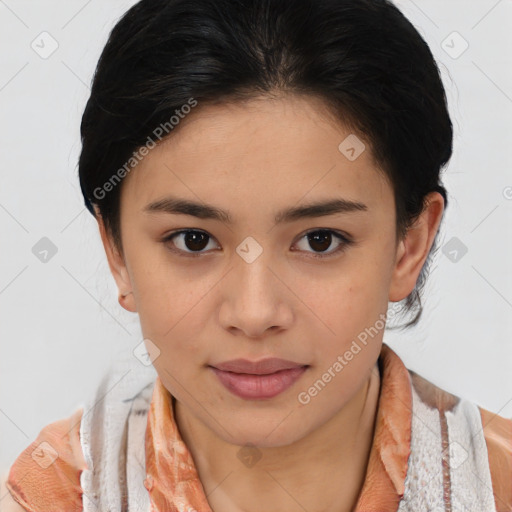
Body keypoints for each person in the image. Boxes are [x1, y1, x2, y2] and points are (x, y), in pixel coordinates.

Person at [3, 0, 511, 510]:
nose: (255, 313)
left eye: (319, 240)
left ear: (410, 246)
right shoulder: (53, 494)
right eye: (193, 240)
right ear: (117, 252)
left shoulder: (499, 482)